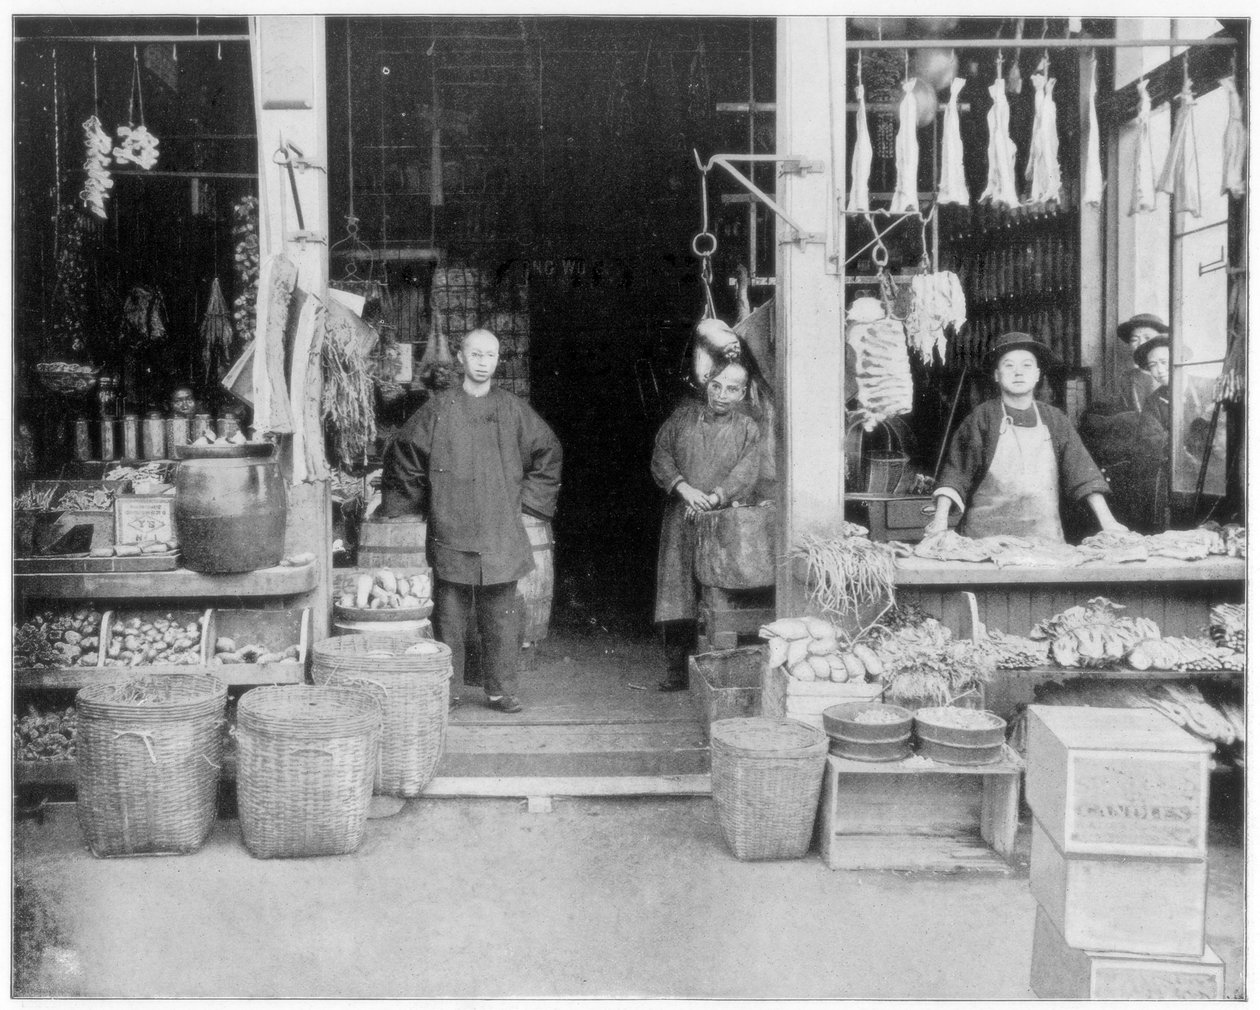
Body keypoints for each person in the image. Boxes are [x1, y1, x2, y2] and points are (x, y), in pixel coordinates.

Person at [379, 329, 562, 714]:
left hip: (500, 528)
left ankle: (501, 690)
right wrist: (418, 504)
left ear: (498, 361)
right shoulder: (437, 409)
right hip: (451, 525)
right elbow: (404, 451)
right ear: (460, 359)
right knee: (449, 616)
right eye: (475, 354)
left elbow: (549, 450)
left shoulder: (513, 410)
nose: (483, 362)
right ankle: (446, 690)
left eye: (490, 355)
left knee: (501, 616)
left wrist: (528, 505)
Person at [926, 332, 1126, 544]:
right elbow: (956, 473)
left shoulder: (1055, 420)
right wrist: (940, 521)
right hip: (984, 542)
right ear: (996, 375)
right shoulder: (981, 419)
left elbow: (1083, 474)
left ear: (1038, 374)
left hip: (1044, 540)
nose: (1018, 372)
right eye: (1009, 365)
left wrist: (1109, 523)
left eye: (1027, 365)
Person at [651, 360, 761, 691]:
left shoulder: (747, 429)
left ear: (742, 393)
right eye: (716, 385)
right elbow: (661, 456)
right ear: (706, 383)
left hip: (725, 519)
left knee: (720, 591)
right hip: (681, 519)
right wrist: (683, 488)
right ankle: (676, 671)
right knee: (676, 592)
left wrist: (715, 497)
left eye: (731, 388)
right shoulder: (682, 419)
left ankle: (717, 671)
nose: (722, 394)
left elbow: (746, 471)